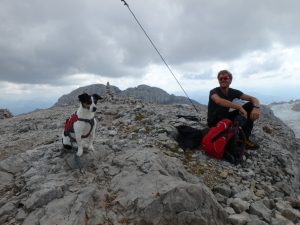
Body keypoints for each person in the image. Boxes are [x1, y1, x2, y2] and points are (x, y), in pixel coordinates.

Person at [207, 70, 260, 150]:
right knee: (242, 112)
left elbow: (252, 98)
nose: (223, 80)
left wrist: (256, 108)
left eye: (225, 78)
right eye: (220, 78)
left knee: (250, 105)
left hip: (226, 117)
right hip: (214, 122)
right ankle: (235, 135)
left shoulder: (233, 92)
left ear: (230, 80)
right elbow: (219, 101)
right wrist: (239, 107)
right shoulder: (214, 91)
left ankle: (244, 139)